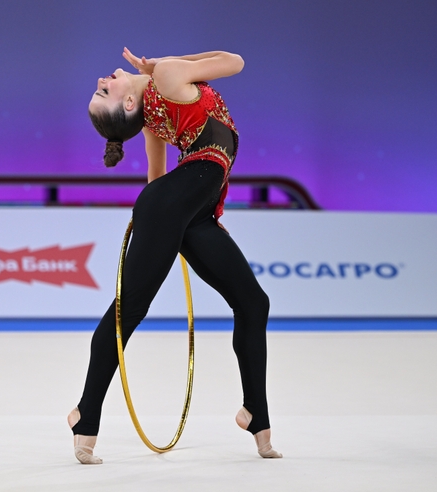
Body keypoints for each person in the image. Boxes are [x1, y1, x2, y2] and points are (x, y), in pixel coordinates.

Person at [67, 48, 281, 464]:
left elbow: (157, 177)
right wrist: (163, 62)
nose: (100, 82)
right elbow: (235, 60)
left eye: (98, 89)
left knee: (253, 303)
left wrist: (184, 215)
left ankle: (256, 411)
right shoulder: (166, 74)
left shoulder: (151, 110)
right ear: (128, 102)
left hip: (190, 209)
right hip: (178, 204)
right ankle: (85, 414)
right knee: (128, 309)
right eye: (104, 92)